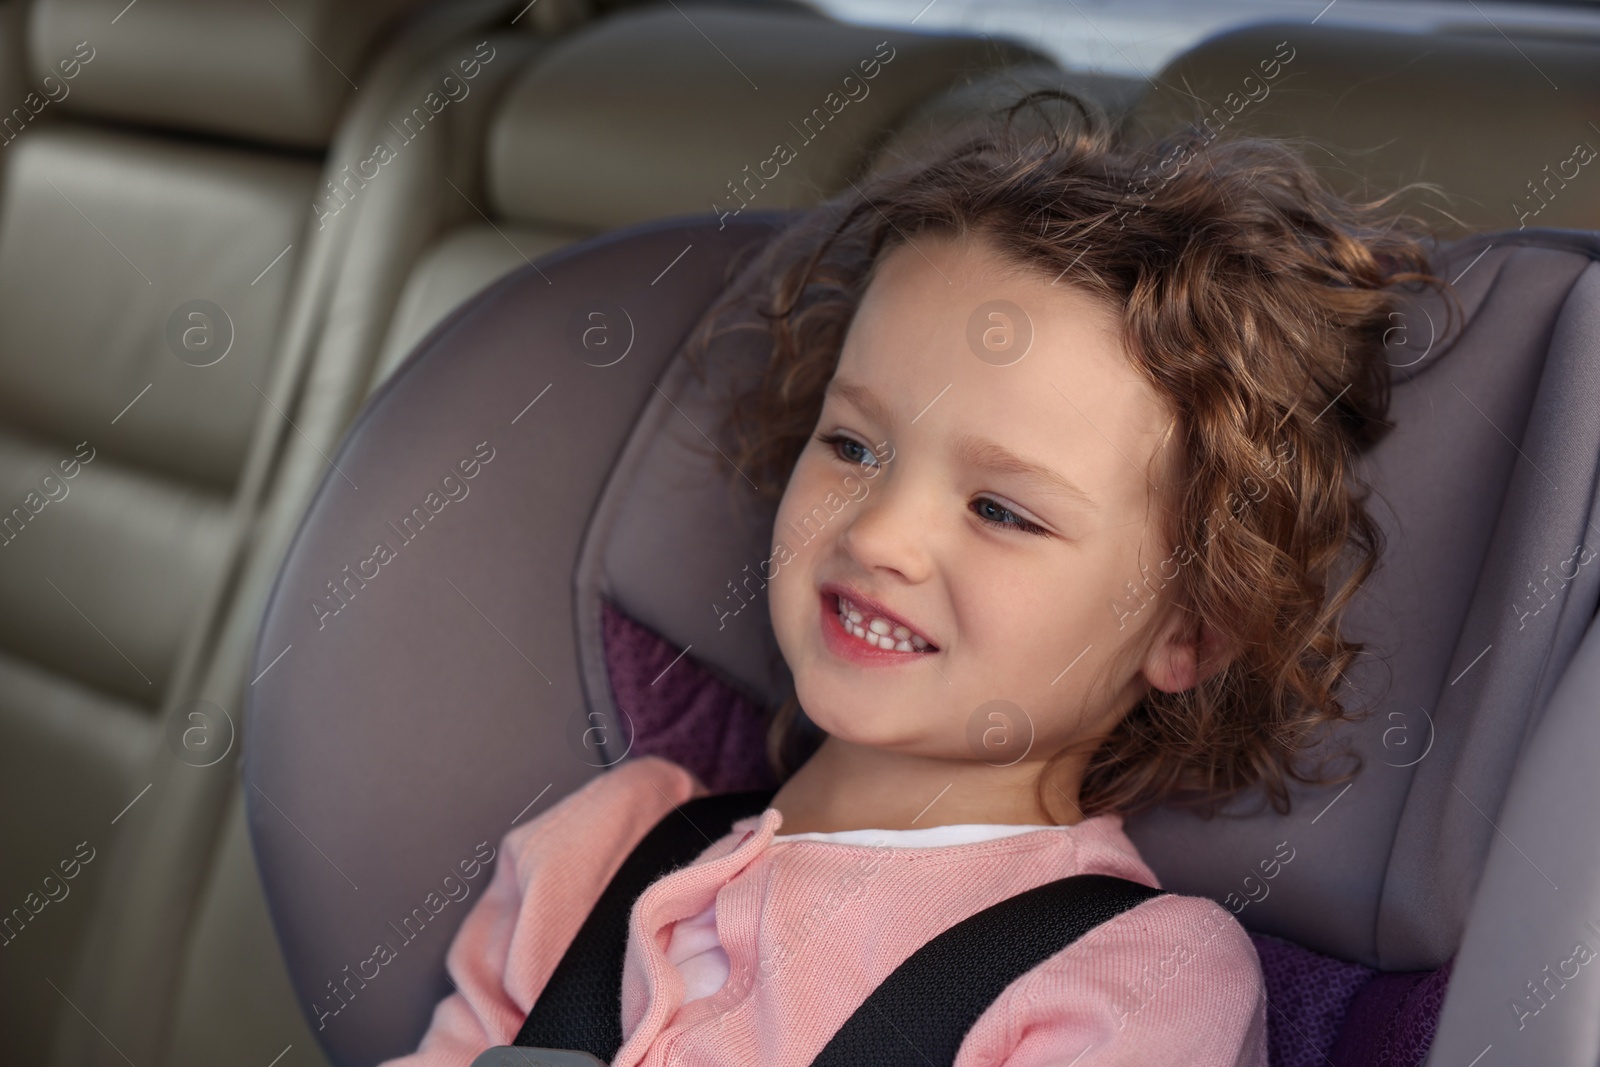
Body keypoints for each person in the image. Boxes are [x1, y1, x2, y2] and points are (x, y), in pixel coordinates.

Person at [382, 89, 1449, 1066]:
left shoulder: (1131, 979)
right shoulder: (605, 847)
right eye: (853, 446)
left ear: (1193, 629)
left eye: (1000, 509)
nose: (882, 534)